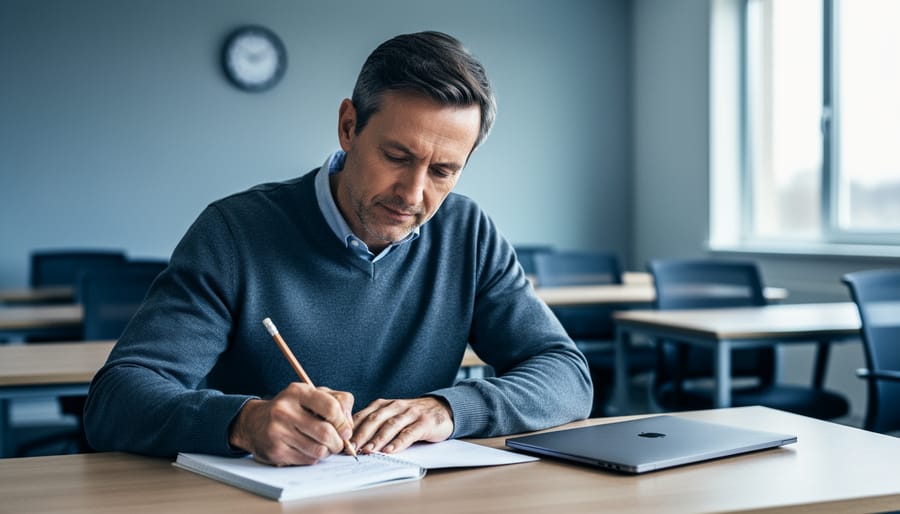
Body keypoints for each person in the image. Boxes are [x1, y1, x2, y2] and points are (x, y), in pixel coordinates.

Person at [84, 30, 592, 466]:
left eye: (442, 172)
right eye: (396, 156)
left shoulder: (467, 232)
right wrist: (243, 421)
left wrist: (449, 410)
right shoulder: (234, 232)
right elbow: (116, 398)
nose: (413, 195)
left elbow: (567, 375)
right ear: (349, 127)